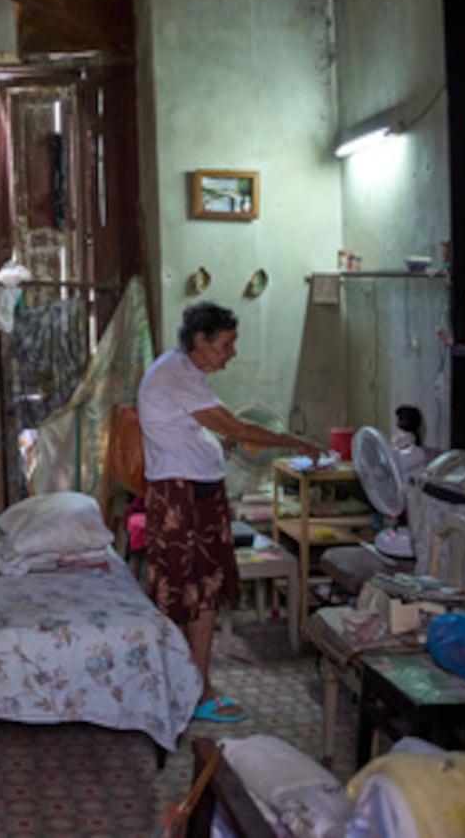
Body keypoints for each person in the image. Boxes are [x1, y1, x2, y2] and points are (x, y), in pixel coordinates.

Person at [137, 302, 322, 722]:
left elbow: (195, 425)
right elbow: (236, 427)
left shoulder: (180, 370)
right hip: (184, 498)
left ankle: (190, 683)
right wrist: (294, 442)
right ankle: (197, 690)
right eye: (226, 344)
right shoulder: (178, 376)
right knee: (196, 595)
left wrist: (210, 440)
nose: (232, 353)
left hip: (192, 492)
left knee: (196, 594)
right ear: (200, 341)